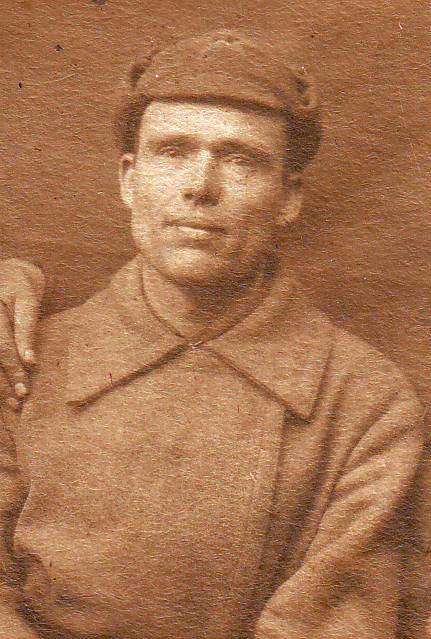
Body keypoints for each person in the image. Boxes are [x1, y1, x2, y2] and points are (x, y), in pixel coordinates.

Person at [0, 30, 427, 639]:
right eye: (173, 151)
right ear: (129, 180)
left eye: (241, 160)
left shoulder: (366, 404)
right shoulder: (24, 361)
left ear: (289, 198)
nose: (201, 187)